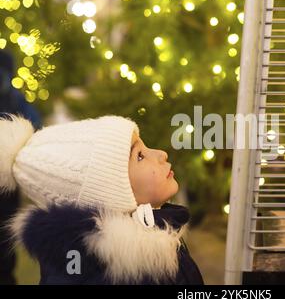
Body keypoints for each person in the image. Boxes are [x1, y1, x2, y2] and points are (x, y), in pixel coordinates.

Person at [0, 115, 203, 284]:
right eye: (140, 156)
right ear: (109, 195)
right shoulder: (137, 273)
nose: (161, 154)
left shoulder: (152, 237)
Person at [0, 50, 42, 285]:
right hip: (7, 180)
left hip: (6, 181)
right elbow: (34, 124)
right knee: (4, 237)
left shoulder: (14, 98)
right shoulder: (15, 98)